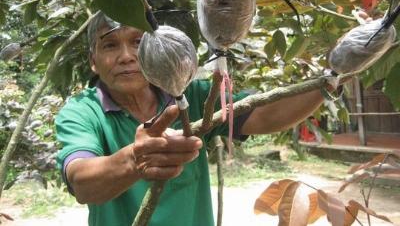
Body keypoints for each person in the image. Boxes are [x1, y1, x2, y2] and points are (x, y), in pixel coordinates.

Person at [56, 12, 337, 226]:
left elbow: (265, 112)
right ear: (93, 59)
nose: (126, 56)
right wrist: (136, 159)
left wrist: (335, 76)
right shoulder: (82, 110)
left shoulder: (190, 95)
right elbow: (81, 180)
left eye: (138, 42)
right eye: (110, 46)